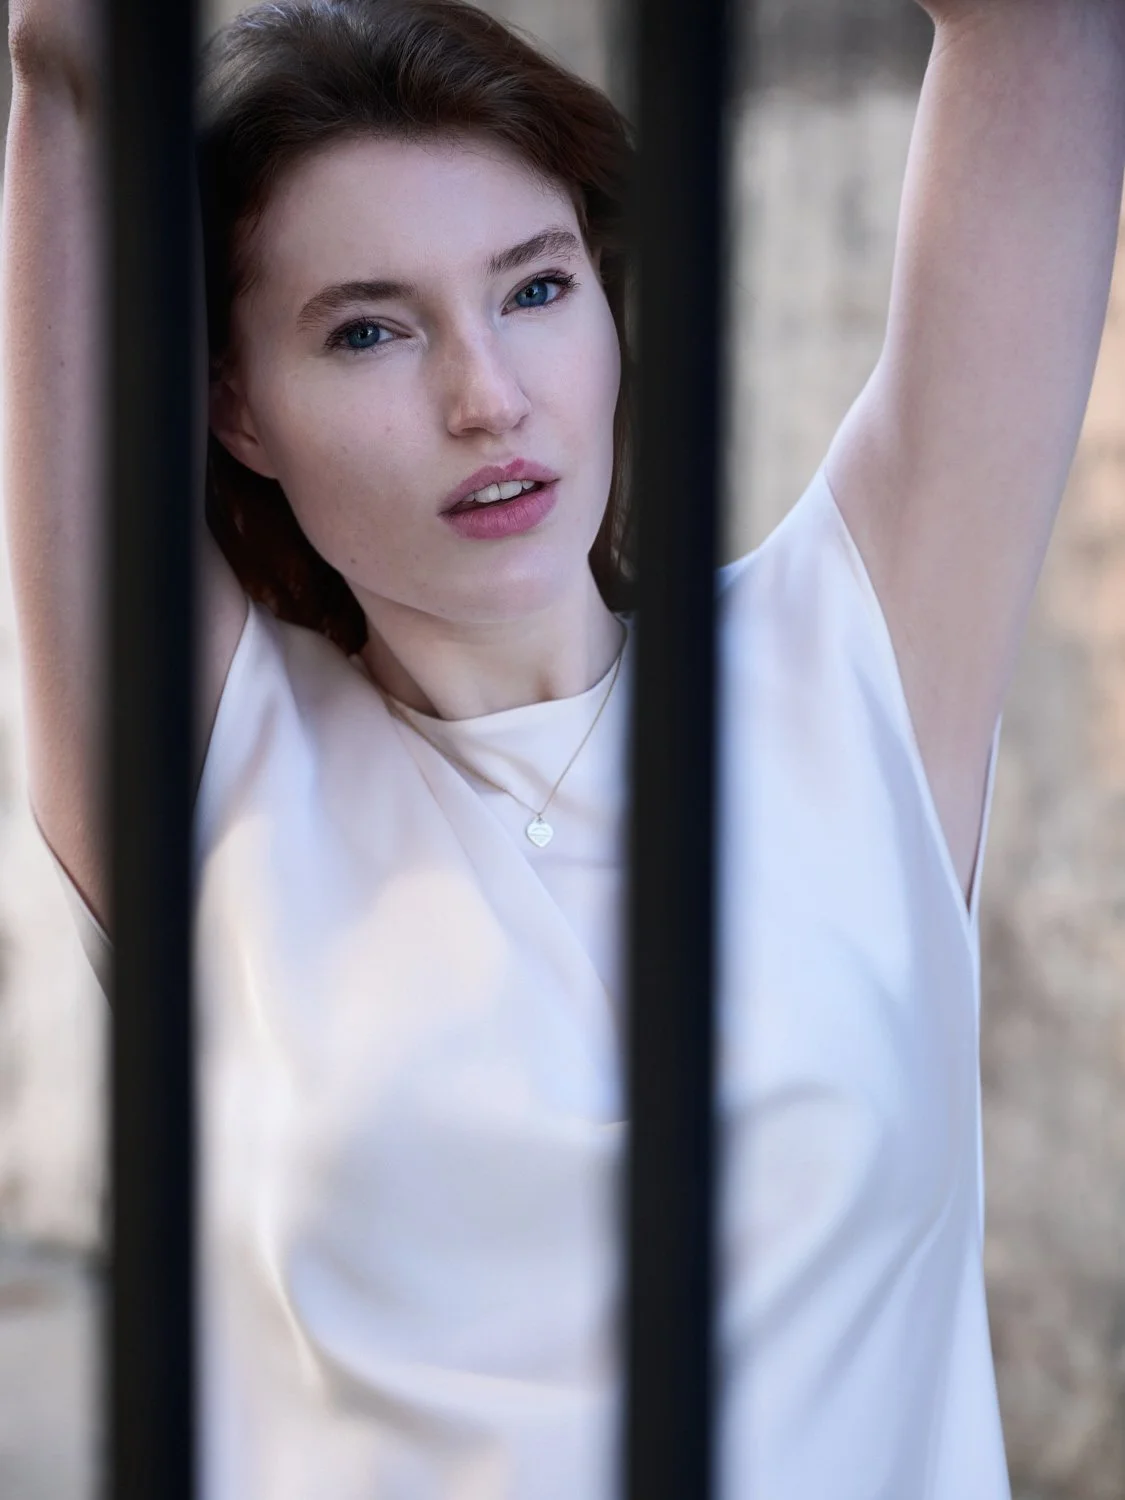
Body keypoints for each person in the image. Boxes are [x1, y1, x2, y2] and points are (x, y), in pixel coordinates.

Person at [3, 0, 1123, 1493]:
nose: (488, 398)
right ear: (236, 406)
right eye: (369, 329)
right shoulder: (221, 773)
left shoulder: (852, 656)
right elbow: (73, 69)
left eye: (535, 290)